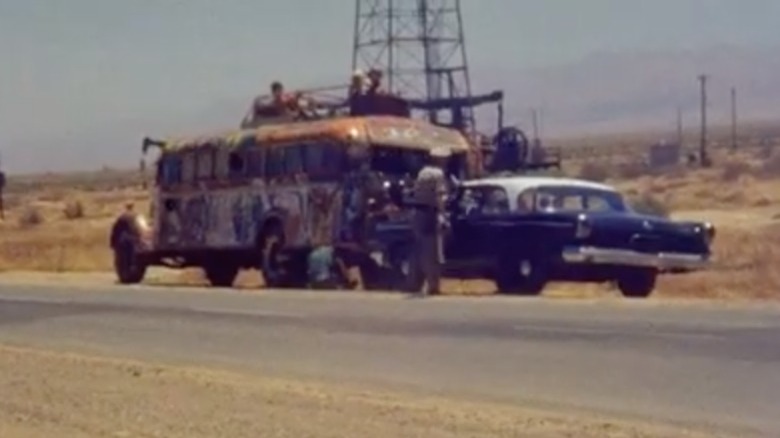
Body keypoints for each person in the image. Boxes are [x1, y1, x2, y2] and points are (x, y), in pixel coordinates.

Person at [411, 146, 451, 296]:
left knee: (421, 250)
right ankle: (433, 286)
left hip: (418, 214)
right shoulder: (438, 174)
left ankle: (419, 283)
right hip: (430, 214)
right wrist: (443, 214)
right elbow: (440, 196)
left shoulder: (422, 172)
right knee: (433, 251)